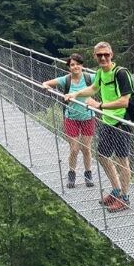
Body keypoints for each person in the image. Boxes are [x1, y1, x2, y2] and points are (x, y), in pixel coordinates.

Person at [64, 42, 132, 211]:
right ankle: (116, 191)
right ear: (95, 56)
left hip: (121, 122)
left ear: (112, 54)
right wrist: (76, 93)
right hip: (108, 121)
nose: (103, 58)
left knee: (122, 161)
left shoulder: (121, 74)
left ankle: (124, 198)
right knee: (102, 156)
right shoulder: (101, 73)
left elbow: (125, 101)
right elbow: (93, 88)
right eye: (99, 55)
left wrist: (99, 106)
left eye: (106, 54)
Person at [42, 53, 95, 189]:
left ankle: (88, 174)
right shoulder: (66, 80)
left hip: (87, 117)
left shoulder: (90, 78)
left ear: (82, 65)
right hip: (71, 118)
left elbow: (106, 81)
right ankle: (72, 173)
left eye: (78, 64)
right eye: (72, 65)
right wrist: (48, 88)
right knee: (74, 149)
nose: (75, 66)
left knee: (86, 148)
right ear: (69, 67)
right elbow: (46, 83)